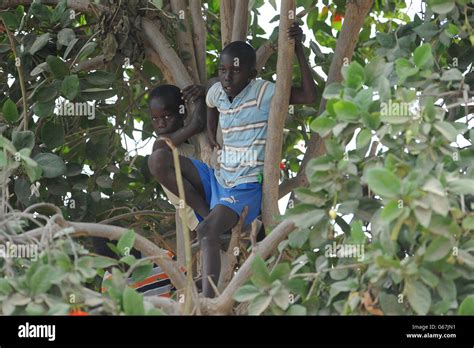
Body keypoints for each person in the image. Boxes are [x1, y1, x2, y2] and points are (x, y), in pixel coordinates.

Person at [148, 22, 317, 298]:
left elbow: (309, 96)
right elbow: (212, 98)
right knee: (158, 160)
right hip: (218, 180)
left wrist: (298, 50)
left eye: (235, 71)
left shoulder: (263, 92)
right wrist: (212, 132)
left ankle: (208, 298)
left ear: (252, 74)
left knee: (207, 233)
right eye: (223, 70)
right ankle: (207, 216)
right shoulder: (219, 91)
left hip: (243, 188)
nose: (227, 77)